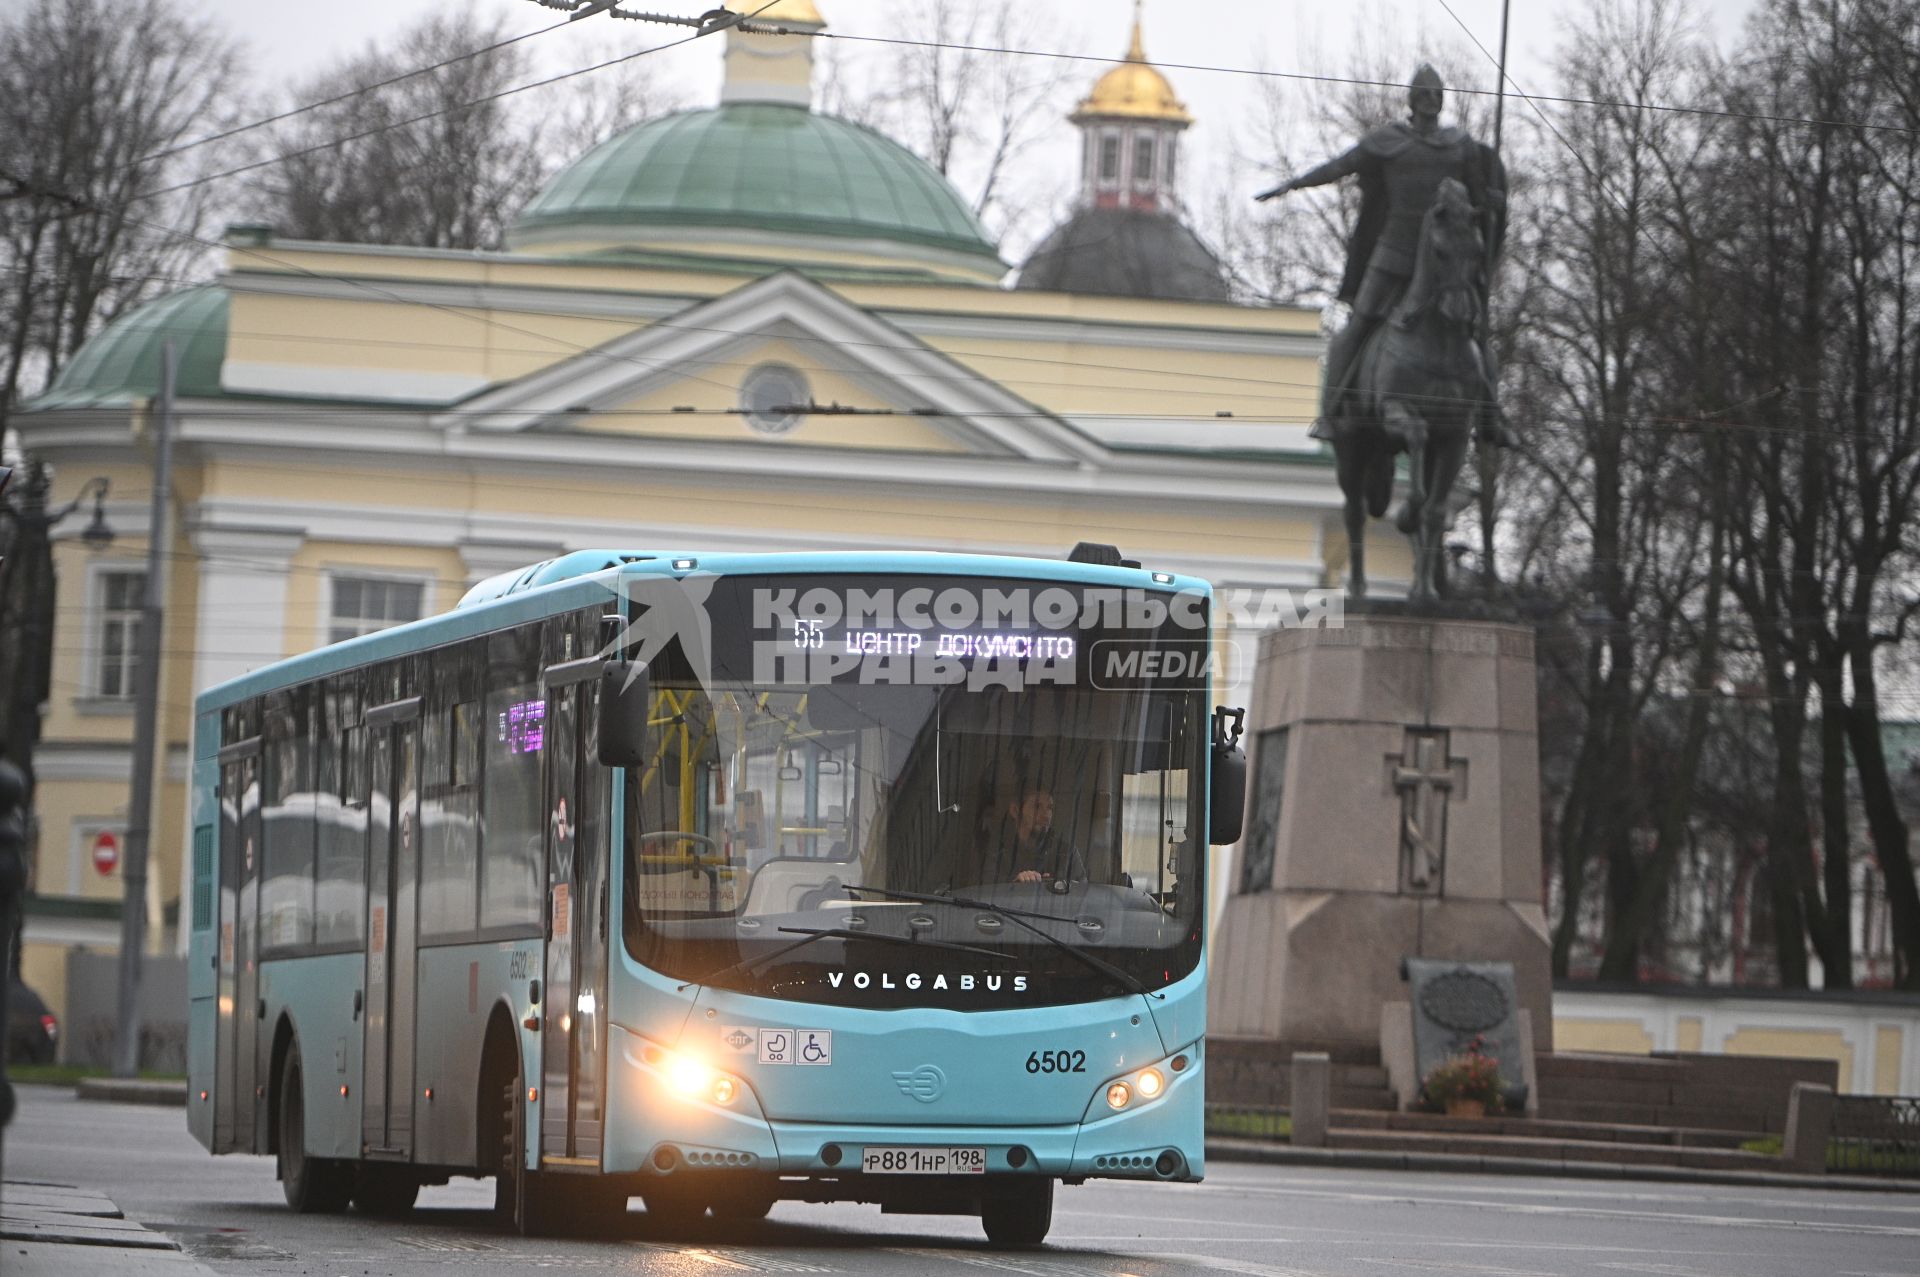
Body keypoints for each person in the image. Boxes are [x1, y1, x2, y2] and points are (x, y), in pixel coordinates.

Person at [1256, 64, 1510, 446]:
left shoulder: (1460, 146)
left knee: (1473, 332)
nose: (1431, 102)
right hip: (1393, 253)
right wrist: (1294, 184)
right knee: (1357, 326)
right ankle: (1329, 412)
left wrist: (1492, 201)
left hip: (1444, 262)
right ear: (1411, 100)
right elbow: (1338, 167)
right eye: (1424, 95)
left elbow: (1479, 193)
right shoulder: (1389, 141)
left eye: (1437, 95)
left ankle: (1491, 417)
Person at [981, 792, 1086, 887]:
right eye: (1037, 806)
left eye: (1049, 808)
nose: (1046, 815)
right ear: (1015, 810)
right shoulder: (994, 851)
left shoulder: (1067, 853)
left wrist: (1059, 886)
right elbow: (985, 894)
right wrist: (1015, 886)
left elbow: (1082, 897)